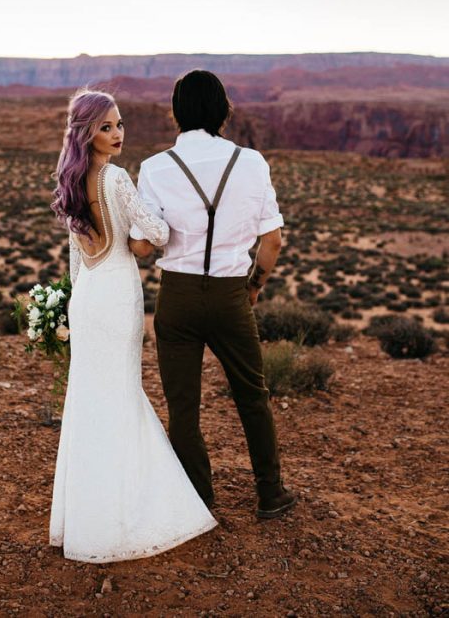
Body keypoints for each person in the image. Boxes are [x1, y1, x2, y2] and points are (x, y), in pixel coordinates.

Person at [49, 89, 217, 563]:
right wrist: (153, 221)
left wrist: (70, 304)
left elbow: (75, 258)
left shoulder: (72, 179)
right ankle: (124, 512)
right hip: (119, 294)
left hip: (88, 297)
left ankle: (83, 518)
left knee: (87, 400)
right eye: (106, 127)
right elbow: (158, 234)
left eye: (119, 124)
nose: (117, 134)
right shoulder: (116, 179)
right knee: (121, 395)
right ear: (86, 132)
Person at [130, 70, 298, 519]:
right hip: (230, 296)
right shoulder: (253, 162)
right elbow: (273, 240)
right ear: (224, 111)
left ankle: (197, 501)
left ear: (176, 113)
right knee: (252, 395)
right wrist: (254, 288)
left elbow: (144, 245)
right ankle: (270, 493)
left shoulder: (155, 168)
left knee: (183, 408)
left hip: (178, 299)